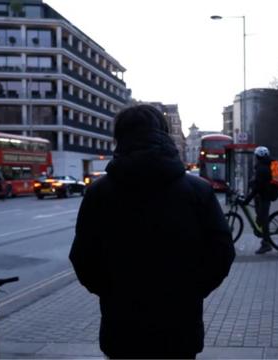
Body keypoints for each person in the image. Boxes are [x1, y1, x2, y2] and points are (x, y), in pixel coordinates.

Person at [69, 104, 235, 359]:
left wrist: (111, 292)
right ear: (164, 134)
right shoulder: (197, 191)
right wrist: (192, 290)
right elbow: (222, 251)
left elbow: (82, 257)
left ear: (119, 138)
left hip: (122, 326)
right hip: (180, 325)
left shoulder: (99, 193)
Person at [242, 146, 278, 255]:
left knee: (264, 220)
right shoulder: (265, 165)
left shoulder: (262, 168)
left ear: (258, 156)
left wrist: (248, 199)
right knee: (260, 219)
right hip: (263, 196)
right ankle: (261, 233)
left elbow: (258, 186)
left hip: (265, 196)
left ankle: (266, 244)